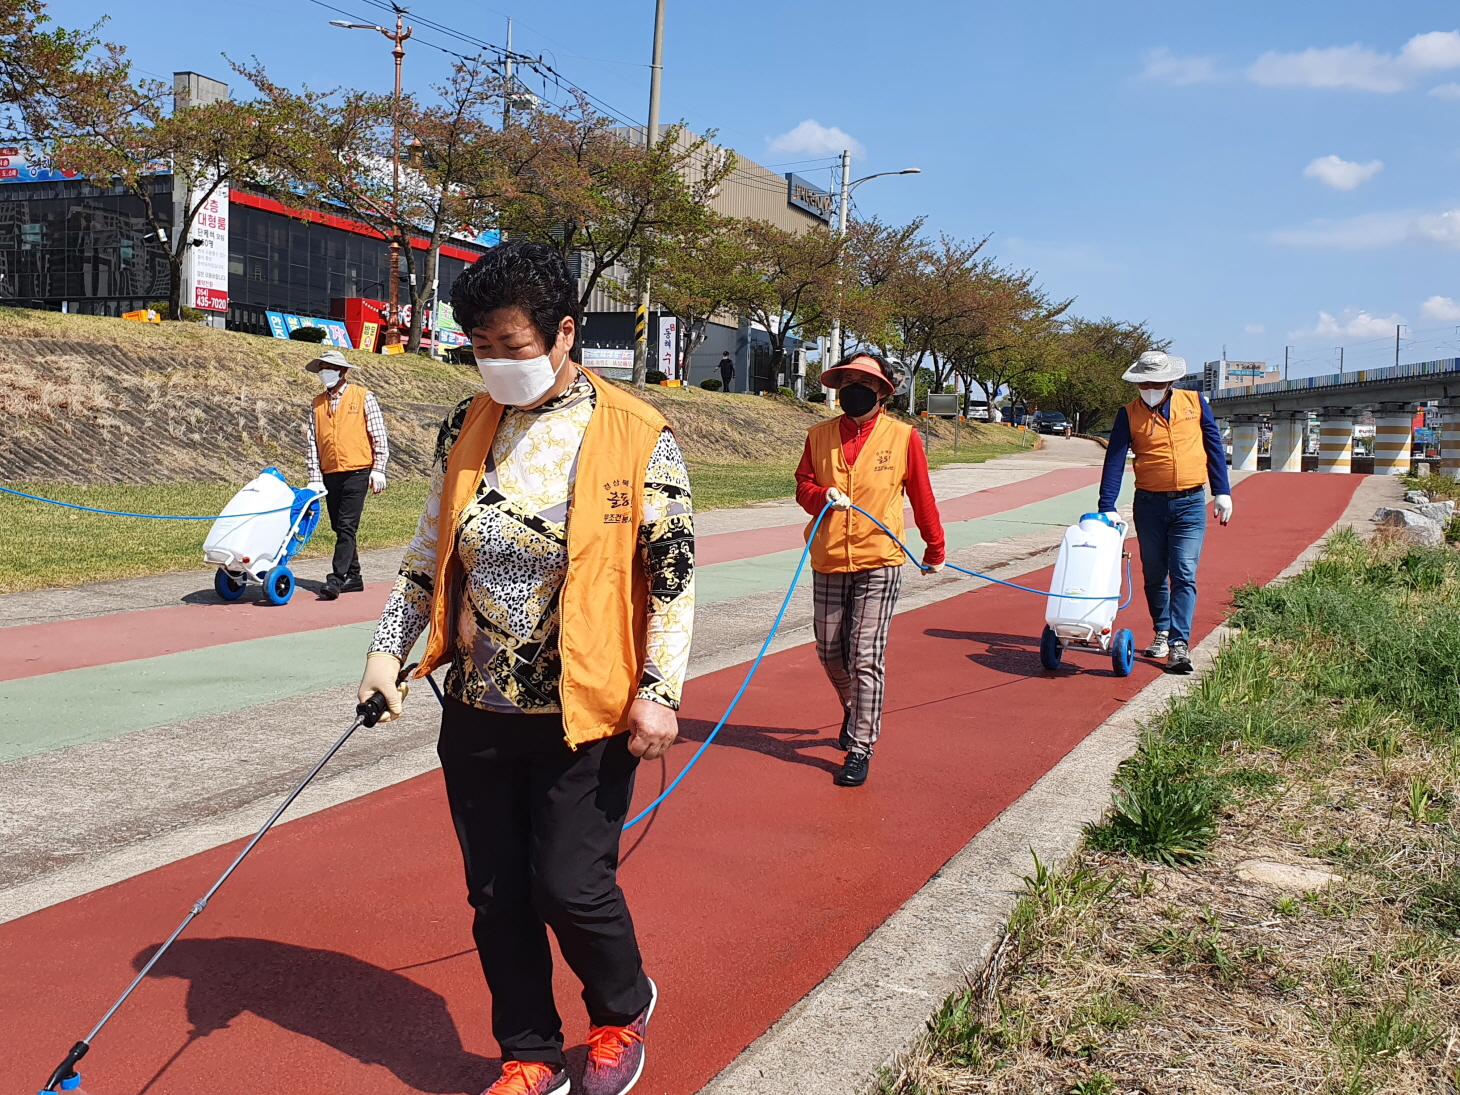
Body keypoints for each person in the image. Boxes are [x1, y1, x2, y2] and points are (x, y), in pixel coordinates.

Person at [358, 240, 694, 1095]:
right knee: (497, 894)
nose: (496, 363)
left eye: (512, 346)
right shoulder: (466, 424)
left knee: (569, 885)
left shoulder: (638, 435)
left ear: (564, 333)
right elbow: (428, 549)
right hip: (478, 707)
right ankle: (531, 1052)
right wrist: (385, 653)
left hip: (587, 709)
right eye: (481, 347)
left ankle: (620, 1008)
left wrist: (659, 691)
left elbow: (673, 576)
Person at [794, 351, 946, 788]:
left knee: (865, 654)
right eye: (846, 383)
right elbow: (803, 485)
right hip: (829, 556)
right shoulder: (819, 436)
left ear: (882, 392)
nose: (853, 391)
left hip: (880, 557)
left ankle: (861, 745)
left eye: (863, 383)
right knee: (829, 650)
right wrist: (821, 496)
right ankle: (854, 706)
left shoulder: (903, 437)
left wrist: (934, 548)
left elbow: (921, 495)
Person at [1096, 351, 1232, 675]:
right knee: (1155, 573)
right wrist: (1106, 506)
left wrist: (1222, 491)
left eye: (1156, 383)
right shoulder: (1128, 414)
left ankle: (1179, 645)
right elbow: (1114, 460)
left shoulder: (1195, 402)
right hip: (1149, 504)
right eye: (1143, 383)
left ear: (1169, 381)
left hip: (1190, 503)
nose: (1150, 389)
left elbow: (1213, 446)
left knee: (1183, 571)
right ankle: (1162, 629)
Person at [304, 348, 389, 600]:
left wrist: (378, 469)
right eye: (321, 369)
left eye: (328, 368)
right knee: (338, 526)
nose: (324, 373)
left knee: (346, 526)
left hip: (358, 470)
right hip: (330, 472)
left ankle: (336, 578)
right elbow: (312, 442)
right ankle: (354, 575)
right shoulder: (317, 403)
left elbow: (378, 434)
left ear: (342, 371)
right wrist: (314, 477)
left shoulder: (363, 396)